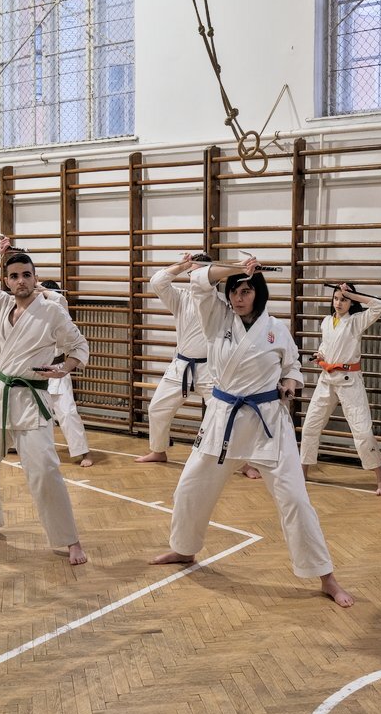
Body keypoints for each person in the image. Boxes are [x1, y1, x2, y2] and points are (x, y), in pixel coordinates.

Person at [150, 254, 354, 606]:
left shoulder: (277, 329)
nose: (239, 298)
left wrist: (290, 382)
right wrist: (237, 270)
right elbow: (199, 282)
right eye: (234, 292)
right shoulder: (215, 317)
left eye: (246, 291)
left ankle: (326, 577)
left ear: (258, 293)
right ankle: (184, 550)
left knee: (295, 500)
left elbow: (293, 368)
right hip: (223, 418)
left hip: (268, 424)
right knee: (190, 489)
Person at [0, 238, 89, 565]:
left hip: (31, 398)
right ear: (6, 280)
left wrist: (62, 369)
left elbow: (79, 347)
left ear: (35, 277)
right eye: (14, 276)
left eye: (26, 275)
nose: (21, 281)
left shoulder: (52, 311)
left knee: (44, 470)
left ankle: (69, 539)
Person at [137, 254, 261, 480]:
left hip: (211, 370)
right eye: (191, 273)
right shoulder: (180, 298)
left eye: (199, 272)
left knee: (227, 414)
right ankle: (158, 450)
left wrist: (240, 269)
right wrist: (182, 265)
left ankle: (243, 463)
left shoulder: (223, 306)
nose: (194, 276)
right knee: (157, 408)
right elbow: (157, 281)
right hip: (181, 365)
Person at [298, 282, 381, 495]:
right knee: (310, 426)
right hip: (326, 379)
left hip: (350, 381)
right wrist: (320, 355)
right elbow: (326, 346)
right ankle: (302, 474)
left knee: (363, 431)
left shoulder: (356, 321)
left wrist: (353, 294)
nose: (339, 302)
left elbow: (380, 306)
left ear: (351, 302)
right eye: (337, 298)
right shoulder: (327, 321)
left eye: (344, 299)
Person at [39, 280, 94, 467]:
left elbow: (59, 299)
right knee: (27, 411)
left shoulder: (59, 310)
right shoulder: (32, 312)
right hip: (35, 372)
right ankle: (15, 445)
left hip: (58, 369)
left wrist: (41, 288)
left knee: (67, 412)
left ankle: (83, 452)